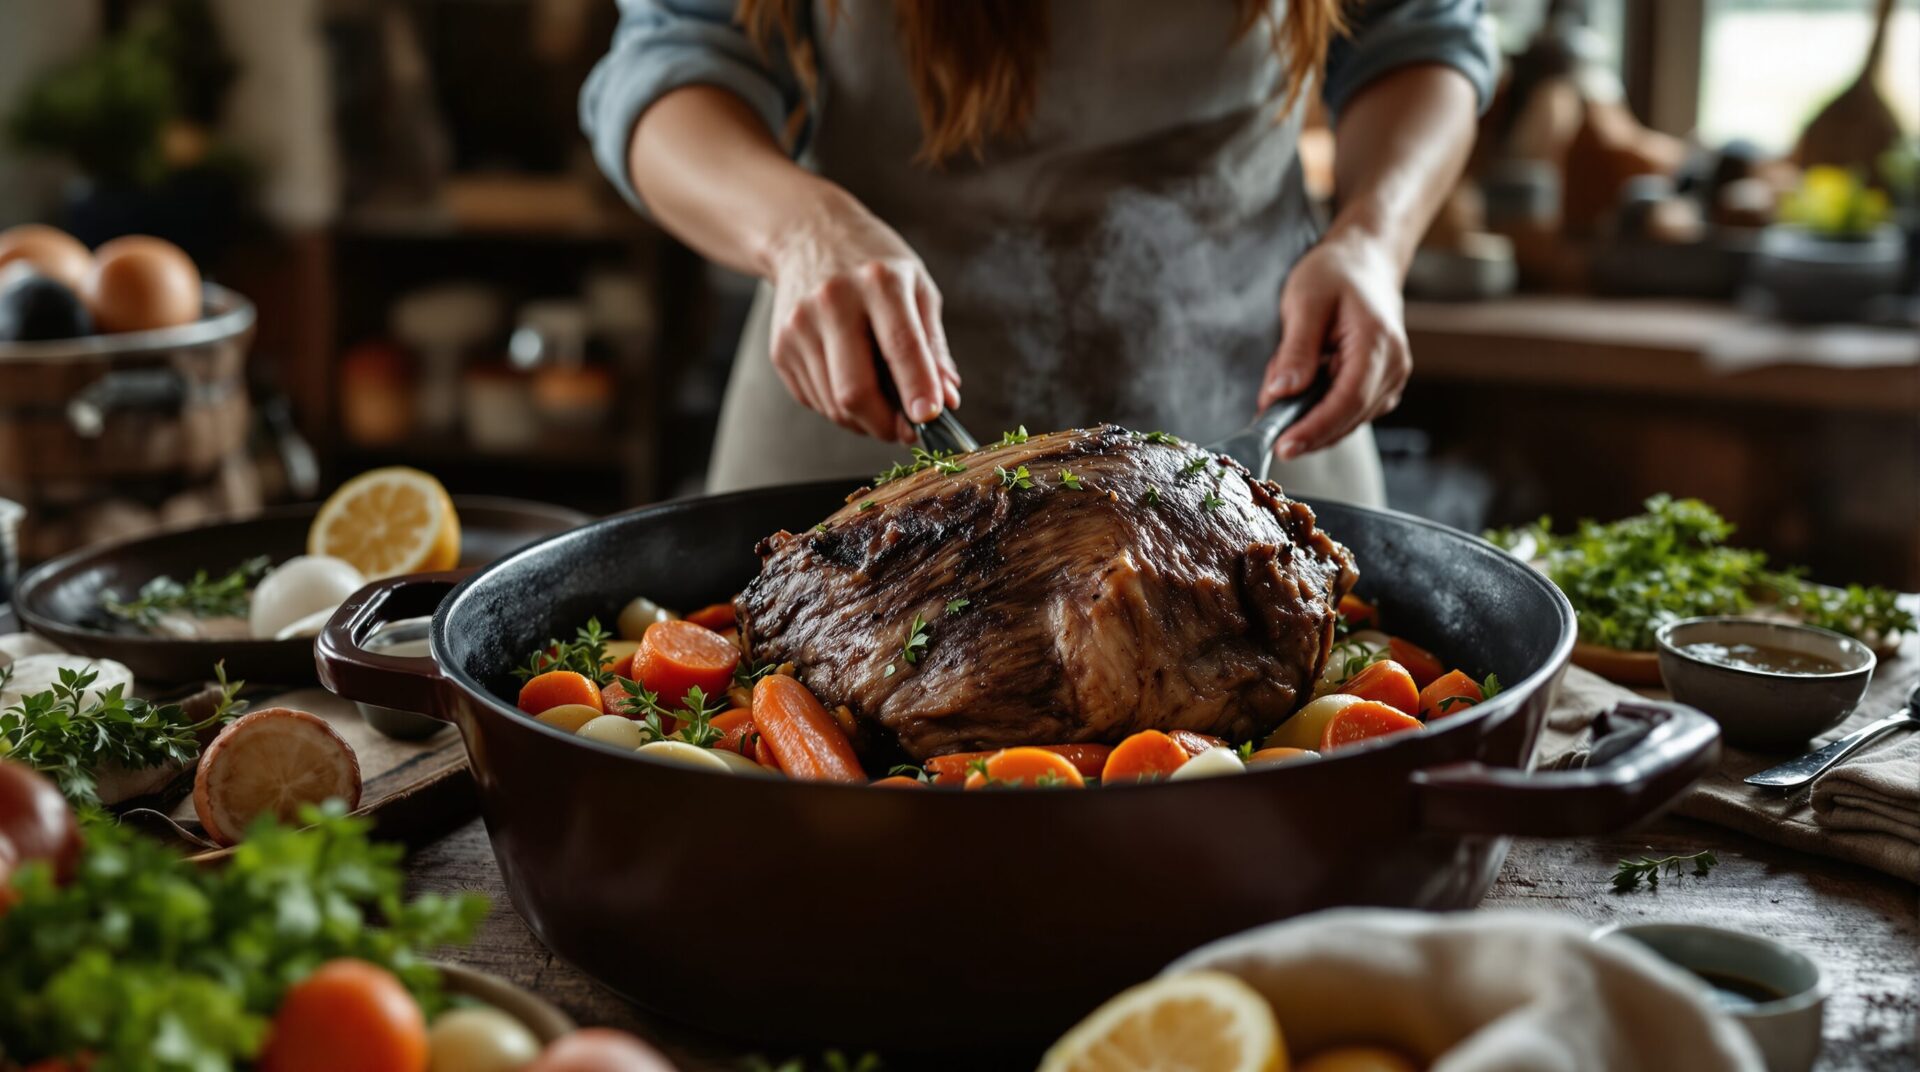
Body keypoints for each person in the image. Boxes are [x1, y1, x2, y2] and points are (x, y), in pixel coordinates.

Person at [582, 1, 1494, 503]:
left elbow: (1418, 37)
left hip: (1252, 403)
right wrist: (800, 231)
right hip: (865, 407)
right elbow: (668, 61)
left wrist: (1371, 238)